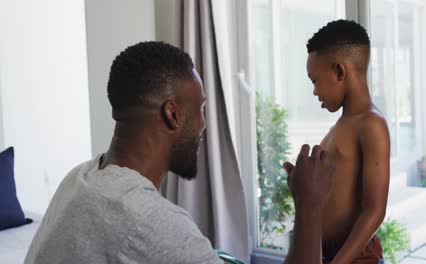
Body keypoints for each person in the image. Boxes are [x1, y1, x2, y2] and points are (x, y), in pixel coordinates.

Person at [25, 41, 334, 264]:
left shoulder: (80, 178)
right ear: (172, 114)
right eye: (200, 108)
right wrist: (310, 207)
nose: (203, 125)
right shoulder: (150, 223)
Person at [305, 20, 390, 264]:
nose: (314, 91)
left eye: (315, 80)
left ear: (340, 72)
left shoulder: (372, 124)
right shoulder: (338, 127)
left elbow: (375, 210)